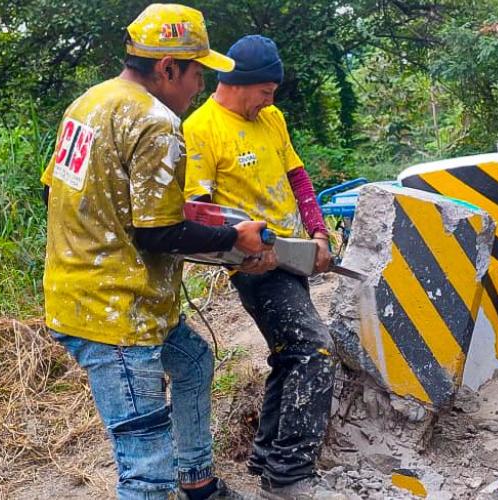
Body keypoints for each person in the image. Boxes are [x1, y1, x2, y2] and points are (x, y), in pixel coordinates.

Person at [40, 5, 269, 499]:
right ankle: (172, 481)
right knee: (145, 466)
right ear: (168, 68)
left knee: (192, 361)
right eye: (197, 74)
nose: (200, 89)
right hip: (119, 313)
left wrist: (154, 208)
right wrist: (235, 239)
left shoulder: (88, 103)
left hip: (78, 297)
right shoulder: (156, 121)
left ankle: (198, 481)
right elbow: (158, 235)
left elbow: (55, 192)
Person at [183, 35, 336, 495]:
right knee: (315, 352)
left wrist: (319, 233)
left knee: (290, 357)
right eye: (265, 93)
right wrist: (238, 255)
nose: (269, 103)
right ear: (238, 82)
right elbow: (198, 211)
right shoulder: (201, 128)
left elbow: (297, 176)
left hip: (294, 254)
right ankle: (289, 475)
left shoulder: (272, 118)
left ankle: (269, 456)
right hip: (254, 268)